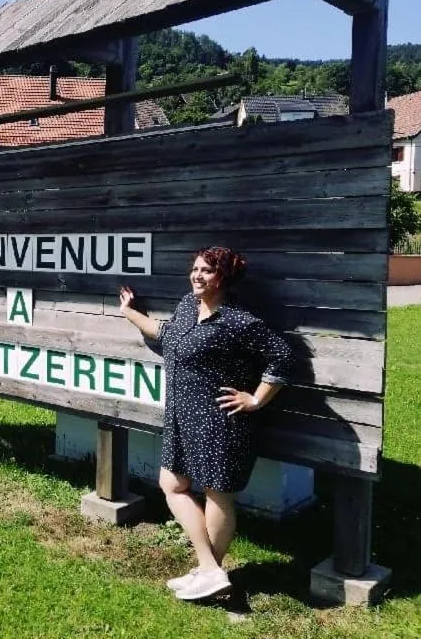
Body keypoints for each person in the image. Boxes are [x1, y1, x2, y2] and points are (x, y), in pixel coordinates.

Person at [118, 246, 292, 601]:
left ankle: (208, 572)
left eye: (207, 271)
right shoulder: (186, 307)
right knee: (172, 483)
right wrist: (129, 313)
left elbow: (281, 355)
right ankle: (209, 569)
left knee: (217, 493)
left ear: (223, 278)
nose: (197, 275)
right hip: (183, 418)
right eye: (195, 269)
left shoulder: (237, 321)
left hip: (222, 422)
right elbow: (163, 334)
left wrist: (256, 398)